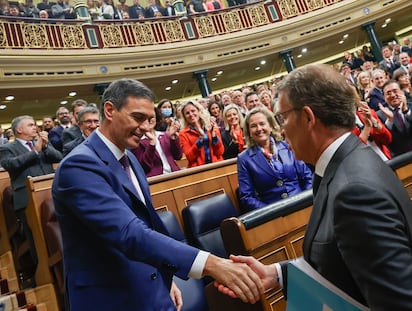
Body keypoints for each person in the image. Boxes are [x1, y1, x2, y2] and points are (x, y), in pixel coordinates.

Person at [52, 78, 263, 311]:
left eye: (149, 119)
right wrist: (211, 264)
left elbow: (148, 222)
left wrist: (167, 276)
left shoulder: (129, 156)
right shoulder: (79, 166)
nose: (145, 127)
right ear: (110, 110)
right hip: (113, 297)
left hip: (152, 287)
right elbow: (129, 233)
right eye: (138, 117)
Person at [217, 64, 412, 310]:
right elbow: (341, 261)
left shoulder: (354, 192)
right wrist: (277, 274)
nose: (281, 129)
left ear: (308, 118)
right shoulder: (346, 161)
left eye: (282, 117)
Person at [0, 115, 62, 285]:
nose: (35, 127)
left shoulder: (42, 144)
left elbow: (58, 158)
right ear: (19, 130)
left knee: (59, 235)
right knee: (38, 241)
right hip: (26, 200)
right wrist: (35, 151)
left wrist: (46, 146)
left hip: (51, 195)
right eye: (31, 125)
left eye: (35, 125)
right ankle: (46, 280)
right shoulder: (8, 148)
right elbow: (11, 165)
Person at [237, 107, 312, 211]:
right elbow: (247, 197)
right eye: (253, 126)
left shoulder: (287, 146)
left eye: (262, 123)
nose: (259, 129)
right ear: (249, 132)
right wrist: (271, 212)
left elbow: (307, 177)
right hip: (273, 216)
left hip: (303, 206)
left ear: (271, 126)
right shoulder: (244, 159)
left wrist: (305, 201)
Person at [130, 108, 182, 176]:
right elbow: (144, 167)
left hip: (175, 175)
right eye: (145, 117)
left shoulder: (164, 135)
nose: (150, 120)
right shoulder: (137, 141)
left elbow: (178, 156)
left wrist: (173, 138)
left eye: (152, 117)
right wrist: (151, 144)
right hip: (156, 180)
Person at [179, 100, 224, 167]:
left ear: (199, 111)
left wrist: (214, 136)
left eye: (193, 111)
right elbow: (190, 157)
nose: (191, 114)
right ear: (185, 117)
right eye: (187, 113)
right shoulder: (183, 133)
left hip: (217, 165)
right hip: (198, 169)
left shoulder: (211, 125)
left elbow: (220, 152)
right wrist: (200, 140)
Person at [377, 80, 412, 156]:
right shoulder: (380, 115)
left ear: (402, 92)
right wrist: (390, 121)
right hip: (401, 160)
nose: (393, 95)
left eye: (395, 91)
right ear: (384, 97)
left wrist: (406, 111)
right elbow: (384, 140)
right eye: (388, 93)